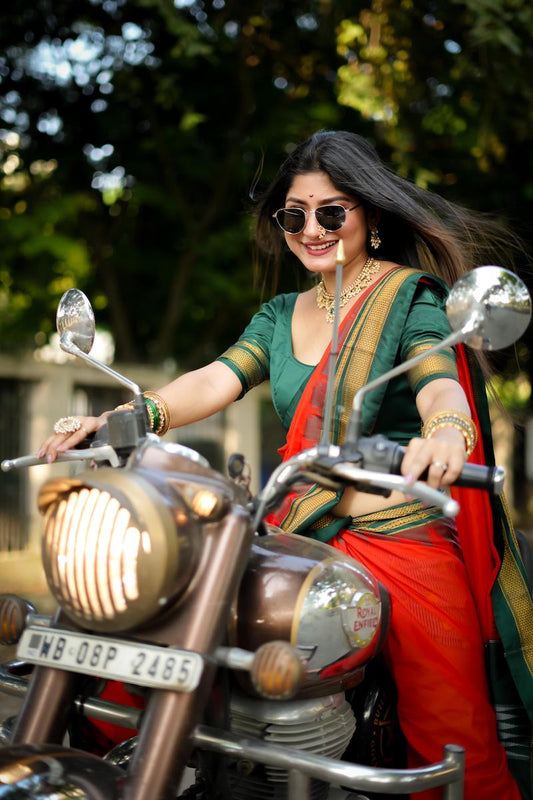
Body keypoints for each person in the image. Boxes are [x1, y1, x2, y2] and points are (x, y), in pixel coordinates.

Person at [39, 130, 532, 799]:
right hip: (294, 526)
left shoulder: (406, 298)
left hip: (398, 537)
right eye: (293, 215)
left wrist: (445, 432)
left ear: (371, 217)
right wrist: (127, 417)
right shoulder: (279, 314)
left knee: (452, 737)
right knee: (147, 641)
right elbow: (214, 380)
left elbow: (438, 380)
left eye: (331, 212)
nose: (311, 229)